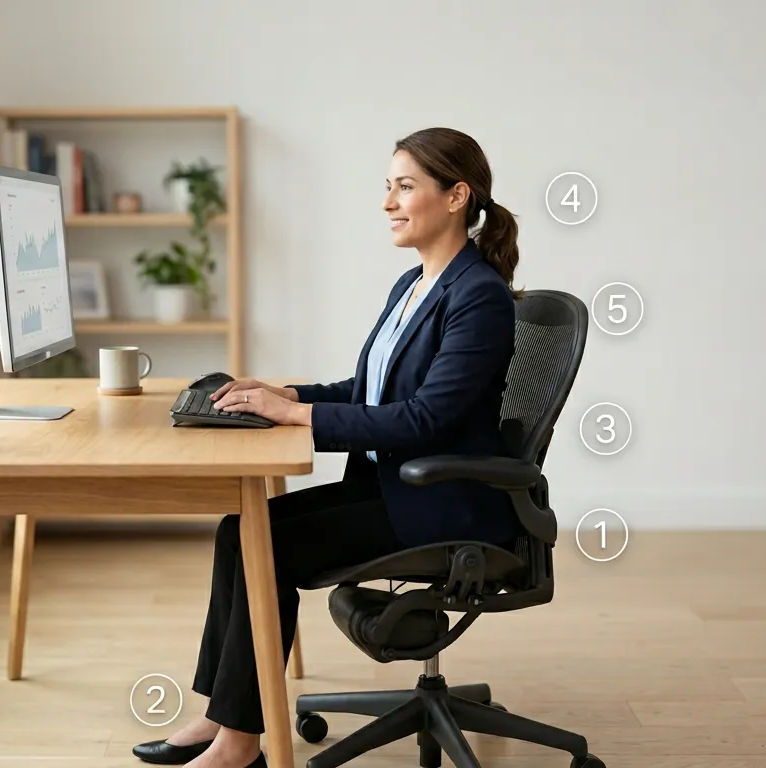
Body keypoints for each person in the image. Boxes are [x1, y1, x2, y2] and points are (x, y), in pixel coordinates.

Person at [132, 127, 523, 768]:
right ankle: (219, 716)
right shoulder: (412, 286)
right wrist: (279, 392)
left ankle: (238, 746)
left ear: (457, 196)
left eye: (405, 187)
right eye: (387, 187)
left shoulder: (477, 296)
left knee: (268, 544)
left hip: (441, 503)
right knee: (241, 530)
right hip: (391, 487)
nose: (388, 202)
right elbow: (370, 389)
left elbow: (424, 419)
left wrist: (296, 414)